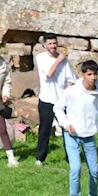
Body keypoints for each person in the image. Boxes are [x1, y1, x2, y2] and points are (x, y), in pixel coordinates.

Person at [53, 60, 98, 196]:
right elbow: (58, 107)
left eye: (95, 74)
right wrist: (66, 124)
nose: (93, 78)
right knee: (76, 168)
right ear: (82, 75)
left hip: (89, 135)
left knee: (94, 170)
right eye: (89, 74)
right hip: (72, 134)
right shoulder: (72, 91)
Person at [35, 33, 76, 166]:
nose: (53, 46)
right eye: (50, 44)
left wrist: (70, 93)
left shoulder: (64, 60)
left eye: (54, 43)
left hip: (62, 100)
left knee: (67, 129)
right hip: (47, 99)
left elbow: (71, 79)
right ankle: (40, 158)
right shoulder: (41, 58)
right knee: (45, 130)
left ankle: (71, 156)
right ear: (45, 45)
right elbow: (48, 74)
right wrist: (58, 60)